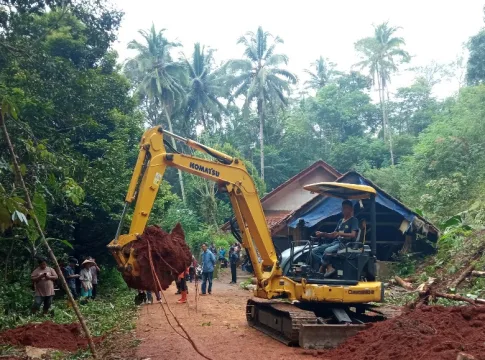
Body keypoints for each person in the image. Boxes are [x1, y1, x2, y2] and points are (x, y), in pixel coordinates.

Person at [314, 200, 359, 278]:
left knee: (327, 251)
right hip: (335, 243)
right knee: (315, 251)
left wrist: (340, 233)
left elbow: (353, 235)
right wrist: (322, 233)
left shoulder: (354, 220)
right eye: (343, 208)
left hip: (344, 245)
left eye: (346, 208)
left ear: (351, 209)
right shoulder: (340, 221)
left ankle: (322, 268)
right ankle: (328, 267)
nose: (344, 210)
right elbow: (333, 235)